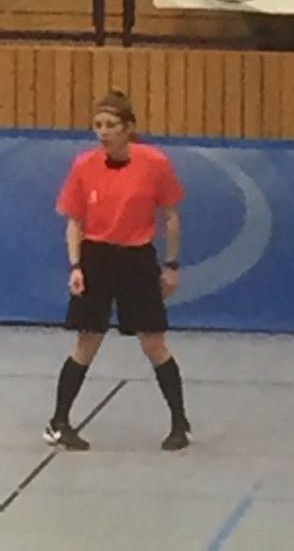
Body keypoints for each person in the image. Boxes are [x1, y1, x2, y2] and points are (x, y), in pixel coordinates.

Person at [43, 91, 190, 452]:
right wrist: (76, 266)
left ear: (128, 128)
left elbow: (171, 217)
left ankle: (179, 423)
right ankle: (58, 422)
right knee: (87, 340)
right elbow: (75, 221)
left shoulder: (154, 163)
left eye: (111, 125)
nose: (103, 132)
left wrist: (171, 265)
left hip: (137, 259)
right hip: (97, 257)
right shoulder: (84, 165)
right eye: (98, 125)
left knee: (153, 342)